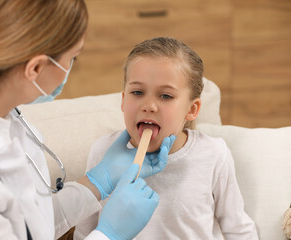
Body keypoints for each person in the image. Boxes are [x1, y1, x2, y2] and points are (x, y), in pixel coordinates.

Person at [0, 1, 176, 239]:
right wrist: (109, 234)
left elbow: (30, 225)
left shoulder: (8, 123)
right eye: (72, 58)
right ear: (35, 68)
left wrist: (97, 182)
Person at [74, 37, 259, 239]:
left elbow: (238, 229)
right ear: (123, 100)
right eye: (137, 92)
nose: (149, 105)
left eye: (165, 96)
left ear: (192, 109)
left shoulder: (213, 154)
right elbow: (84, 231)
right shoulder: (102, 152)